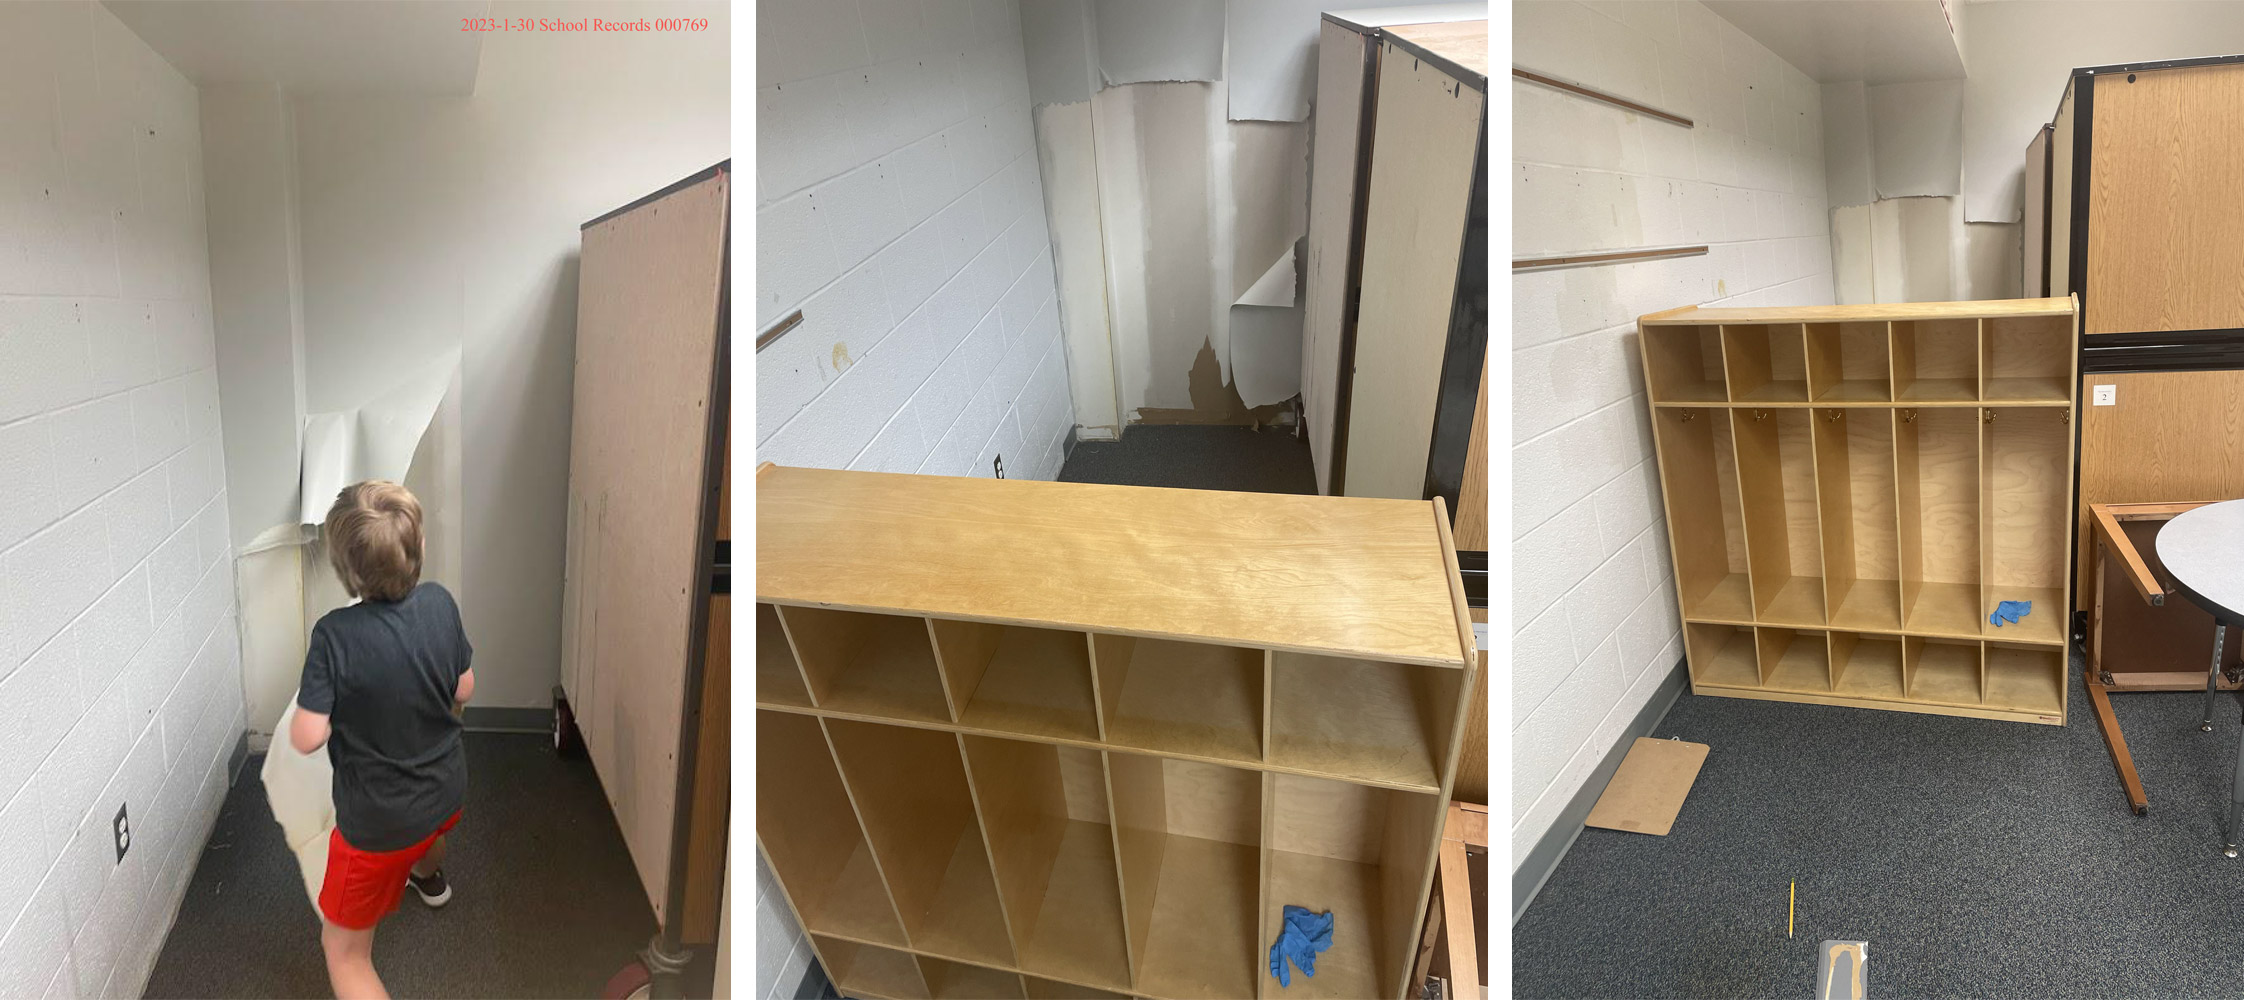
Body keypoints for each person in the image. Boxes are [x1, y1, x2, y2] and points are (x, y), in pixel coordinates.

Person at [289, 481, 474, 1000]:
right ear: (416, 548)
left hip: (376, 826)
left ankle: (414, 876)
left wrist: (314, 714)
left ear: (346, 570)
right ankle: (430, 880)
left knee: (344, 954)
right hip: (444, 790)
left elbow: (307, 738)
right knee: (428, 829)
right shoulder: (440, 603)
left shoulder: (334, 635)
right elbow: (465, 686)